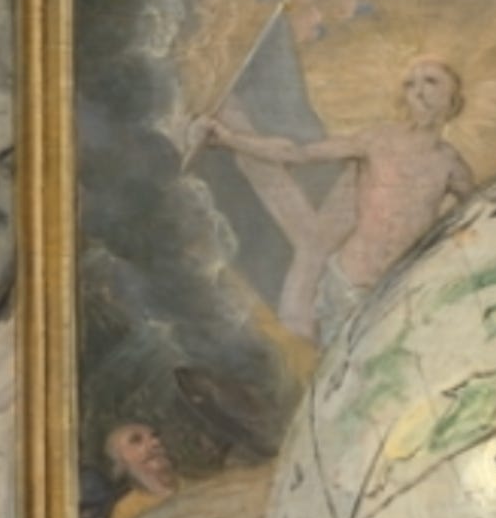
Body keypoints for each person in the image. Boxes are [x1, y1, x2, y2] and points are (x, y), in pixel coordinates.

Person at [199, 56, 474, 345]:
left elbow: (473, 220)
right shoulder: (377, 140)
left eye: (431, 82)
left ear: (453, 99)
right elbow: (297, 153)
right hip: (348, 286)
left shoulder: (451, 166)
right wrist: (229, 139)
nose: (418, 92)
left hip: (396, 293)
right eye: (410, 84)